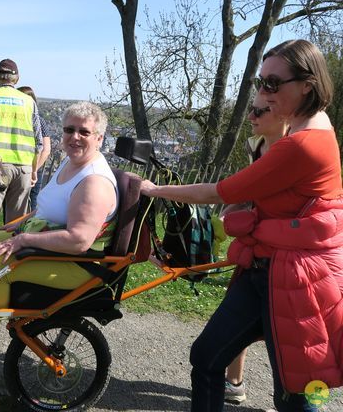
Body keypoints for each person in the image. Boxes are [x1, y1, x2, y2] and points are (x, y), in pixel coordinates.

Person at [140, 39, 343, 412]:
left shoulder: (302, 144)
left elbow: (221, 190)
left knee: (295, 393)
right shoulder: (308, 127)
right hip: (265, 270)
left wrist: (155, 188)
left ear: (307, 86)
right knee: (207, 356)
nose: (263, 93)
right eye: (259, 81)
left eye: (272, 84)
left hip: (293, 278)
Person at [0, 101, 118, 359]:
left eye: (83, 132)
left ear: (99, 137)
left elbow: (79, 240)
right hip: (58, 253)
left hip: (79, 266)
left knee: (1, 267)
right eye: (69, 130)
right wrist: (18, 225)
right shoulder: (70, 163)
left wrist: (22, 240)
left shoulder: (93, 182)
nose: (74, 137)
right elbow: (47, 211)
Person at [221, 93, 288, 405]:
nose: (252, 117)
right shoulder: (257, 146)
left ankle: (290, 397)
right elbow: (249, 192)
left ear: (283, 114)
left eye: (260, 111)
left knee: (283, 335)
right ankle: (234, 381)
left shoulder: (296, 151)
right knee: (239, 317)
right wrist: (225, 216)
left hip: (286, 260)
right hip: (255, 251)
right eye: (251, 110)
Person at [0, 59, 43, 225]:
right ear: (16, 79)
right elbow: (39, 142)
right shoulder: (29, 102)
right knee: (17, 225)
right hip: (24, 169)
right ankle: (12, 251)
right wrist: (33, 171)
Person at [17, 86, 52, 211]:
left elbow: (46, 150)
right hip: (27, 170)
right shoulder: (37, 120)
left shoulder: (39, 121)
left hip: (30, 170)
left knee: (27, 206)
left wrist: (33, 170)